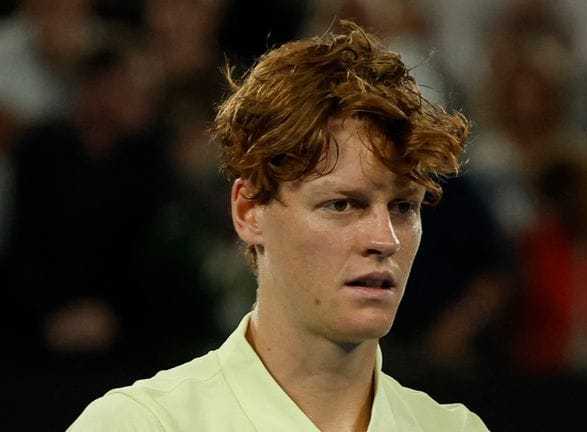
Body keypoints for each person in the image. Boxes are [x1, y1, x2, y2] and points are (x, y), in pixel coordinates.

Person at [68, 21, 488, 431]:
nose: (385, 239)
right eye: (341, 204)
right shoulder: (138, 424)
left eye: (403, 207)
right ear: (249, 211)